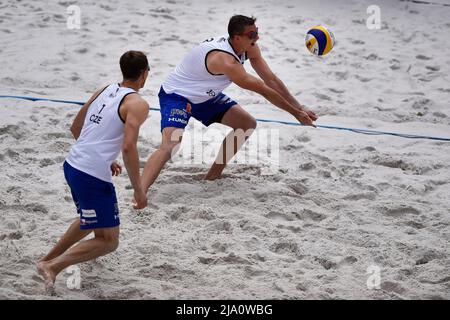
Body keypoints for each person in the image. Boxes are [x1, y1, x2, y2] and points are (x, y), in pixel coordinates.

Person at [141, 15, 317, 194]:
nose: (257, 38)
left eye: (257, 33)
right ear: (236, 37)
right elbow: (263, 89)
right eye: (252, 34)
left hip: (206, 96)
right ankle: (140, 192)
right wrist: (295, 114)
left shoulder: (249, 48)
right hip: (177, 95)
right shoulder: (226, 60)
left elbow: (270, 79)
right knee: (170, 145)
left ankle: (212, 175)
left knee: (246, 124)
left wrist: (299, 107)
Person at [36, 50, 150, 294]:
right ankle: (53, 266)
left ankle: (45, 260)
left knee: (89, 221)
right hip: (91, 175)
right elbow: (128, 147)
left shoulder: (105, 89)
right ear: (144, 74)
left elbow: (76, 126)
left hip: (73, 164)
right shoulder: (138, 104)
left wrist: (102, 157)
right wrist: (139, 190)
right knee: (109, 241)